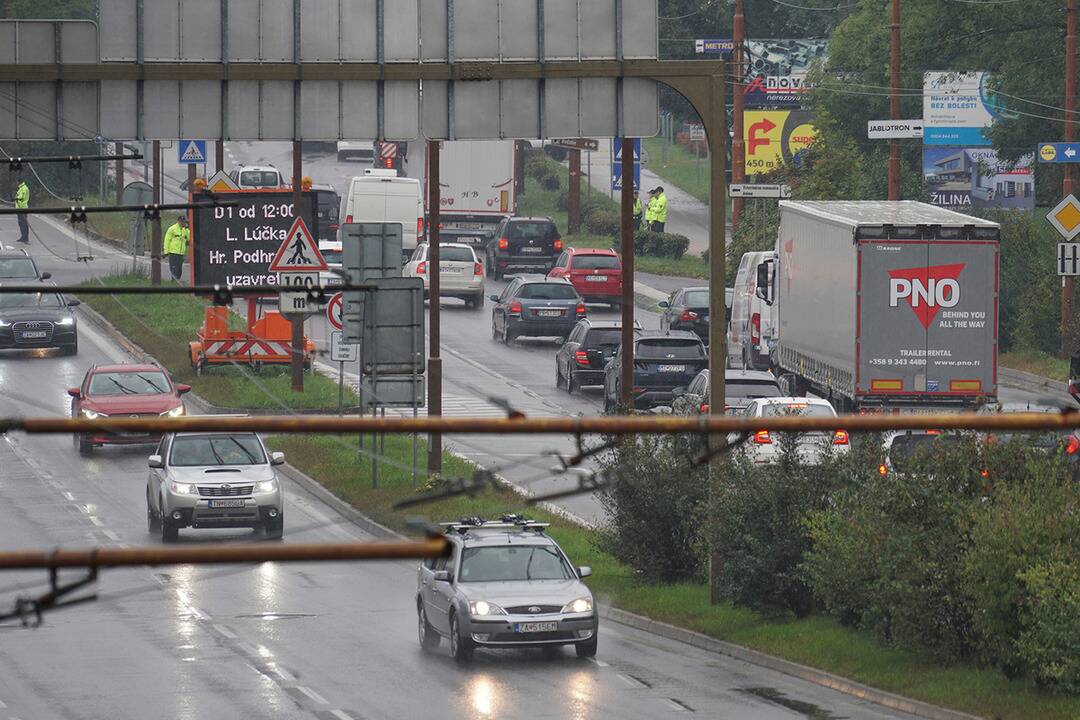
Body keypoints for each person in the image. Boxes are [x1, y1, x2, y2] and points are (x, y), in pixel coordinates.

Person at [163, 214, 189, 281]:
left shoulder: (185, 230)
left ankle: (177, 281)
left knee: (179, 270)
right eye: (182, 222)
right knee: (174, 269)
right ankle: (173, 282)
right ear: (179, 221)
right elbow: (167, 240)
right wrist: (166, 251)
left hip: (181, 253)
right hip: (173, 252)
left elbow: (189, 239)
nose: (184, 223)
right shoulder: (172, 229)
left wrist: (187, 229)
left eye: (185, 222)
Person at [13, 176, 29, 243]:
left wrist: (16, 199)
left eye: (17, 182)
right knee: (21, 223)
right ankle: (23, 237)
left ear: (19, 182)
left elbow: (21, 198)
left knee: (23, 224)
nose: (16, 183)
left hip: (22, 209)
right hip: (20, 209)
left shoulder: (23, 189)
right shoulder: (22, 188)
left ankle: (25, 238)